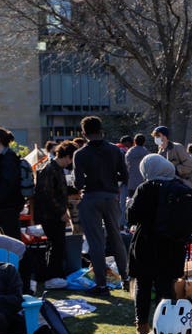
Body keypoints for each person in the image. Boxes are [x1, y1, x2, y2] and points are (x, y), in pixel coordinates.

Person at [127, 154, 192, 334]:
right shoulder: (181, 188)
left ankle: (142, 326)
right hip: (172, 245)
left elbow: (132, 217)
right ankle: (166, 327)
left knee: (144, 285)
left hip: (147, 244)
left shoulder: (146, 188)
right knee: (166, 286)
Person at [74, 115, 130, 296]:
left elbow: (78, 182)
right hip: (111, 196)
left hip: (91, 197)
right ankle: (126, 278)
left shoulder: (80, 154)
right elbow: (125, 176)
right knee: (116, 237)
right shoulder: (115, 150)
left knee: (96, 241)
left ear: (84, 133)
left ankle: (101, 285)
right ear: (101, 130)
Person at [33, 140, 75, 288]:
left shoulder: (55, 168)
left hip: (53, 214)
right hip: (50, 215)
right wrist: (61, 212)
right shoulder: (50, 169)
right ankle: (52, 276)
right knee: (56, 244)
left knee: (57, 244)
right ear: (68, 156)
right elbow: (47, 195)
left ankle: (55, 275)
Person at [152, 125, 192, 195]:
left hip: (187, 186)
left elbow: (189, 164)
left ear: (165, 136)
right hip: (171, 188)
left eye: (158, 135)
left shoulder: (177, 147)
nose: (156, 138)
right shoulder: (160, 152)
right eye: (155, 136)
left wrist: (175, 170)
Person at [125, 133, 149, 199]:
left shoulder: (129, 152)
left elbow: (125, 165)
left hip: (131, 182)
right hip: (143, 182)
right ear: (144, 142)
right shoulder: (146, 153)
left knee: (131, 202)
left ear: (134, 141)